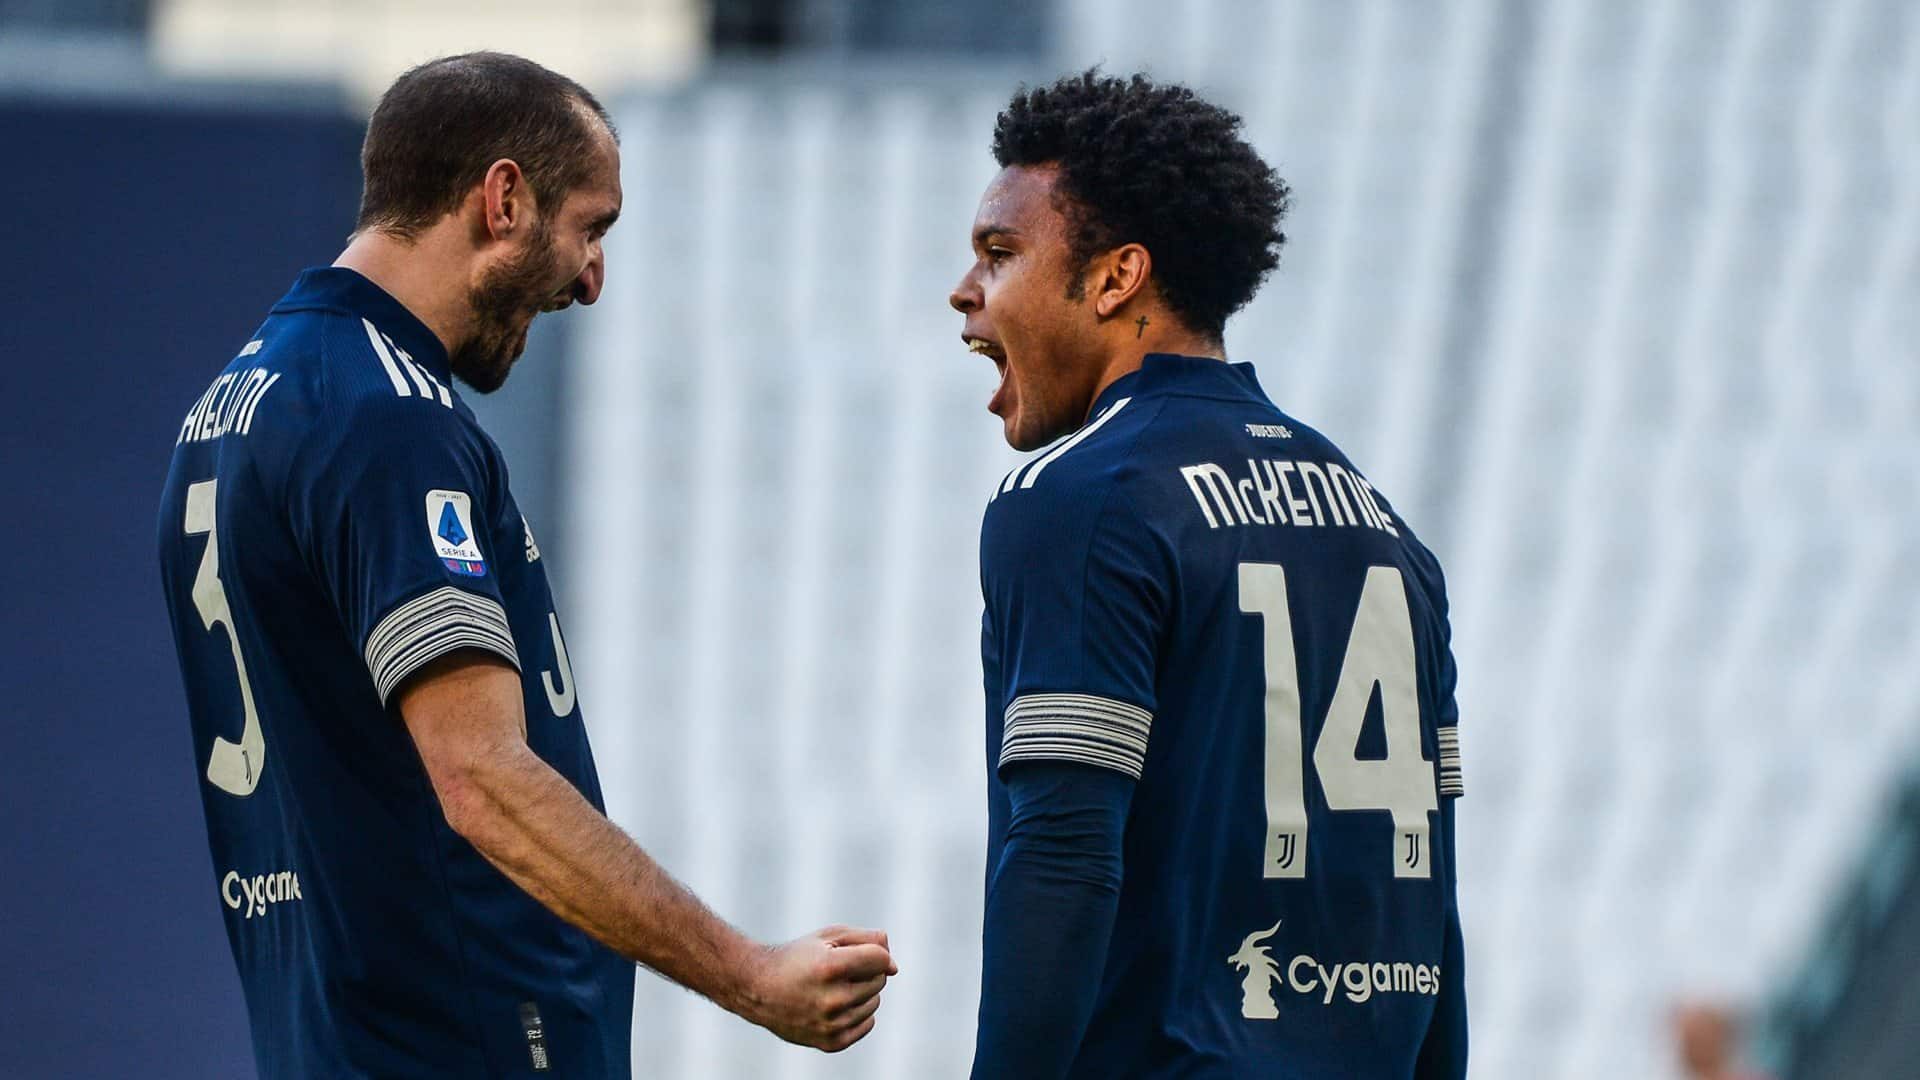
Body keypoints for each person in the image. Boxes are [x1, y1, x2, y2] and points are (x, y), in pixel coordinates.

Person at [156, 52, 893, 1079]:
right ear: (503, 200)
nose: (592, 280)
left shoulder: (236, 404)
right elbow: (482, 778)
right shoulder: (387, 420)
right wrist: (749, 973)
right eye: (591, 228)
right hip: (458, 1039)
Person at [950, 71, 1467, 1077]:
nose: (966, 290)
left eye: (1000, 254)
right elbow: (1430, 898)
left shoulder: (1081, 498)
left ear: (1115, 279)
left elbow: (1062, 857)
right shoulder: (1386, 529)